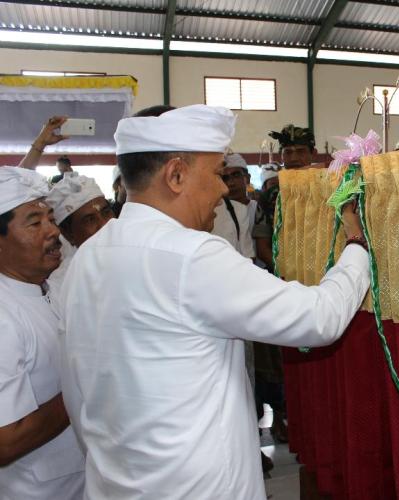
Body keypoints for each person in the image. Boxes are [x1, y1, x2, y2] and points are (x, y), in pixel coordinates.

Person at [57, 105, 370, 499]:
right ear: (176, 175)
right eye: (217, 173)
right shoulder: (191, 255)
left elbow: (75, 388)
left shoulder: (88, 256)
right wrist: (357, 244)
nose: (224, 188)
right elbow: (319, 318)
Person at [0, 167, 84, 499]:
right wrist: (85, 384)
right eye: (35, 223)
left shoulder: (52, 289)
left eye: (51, 218)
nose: (53, 231)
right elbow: (5, 440)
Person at [45, 172, 114, 297]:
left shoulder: (128, 253)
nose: (104, 224)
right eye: (89, 219)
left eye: (106, 212)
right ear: (67, 234)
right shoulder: (64, 284)